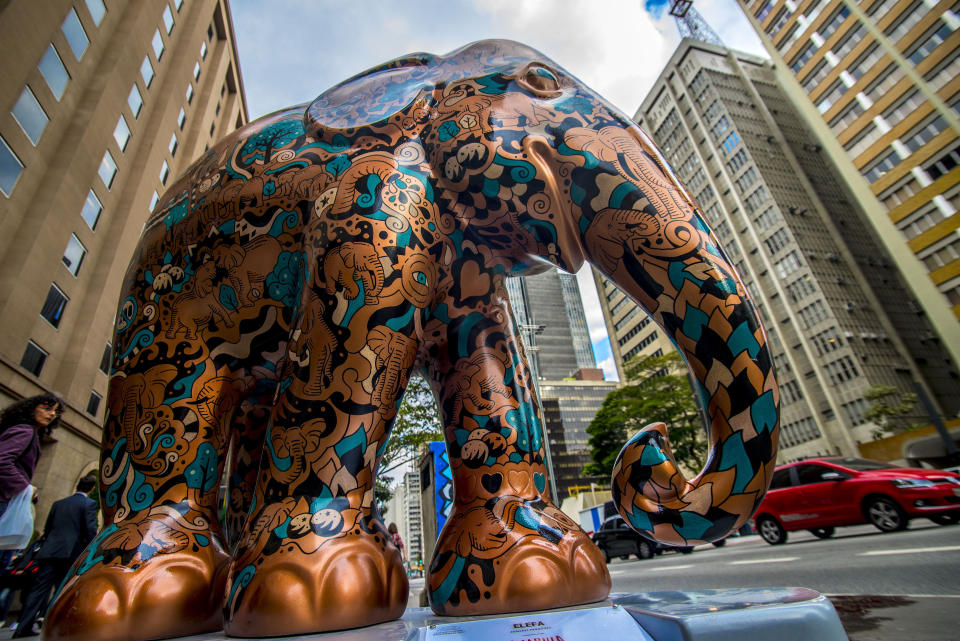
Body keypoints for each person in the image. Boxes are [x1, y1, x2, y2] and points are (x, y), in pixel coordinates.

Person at [13, 475, 97, 638]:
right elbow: (90, 531)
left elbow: (48, 528)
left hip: (50, 552)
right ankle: (56, 625)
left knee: (38, 590)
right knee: (64, 590)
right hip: (70, 553)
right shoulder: (89, 504)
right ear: (91, 488)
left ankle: (22, 626)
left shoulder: (59, 504)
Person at [0, 394, 62, 515]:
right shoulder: (25, 432)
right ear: (31, 408)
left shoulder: (28, 432)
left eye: (56, 411)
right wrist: (25, 488)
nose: (53, 414)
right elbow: (2, 461)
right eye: (47, 408)